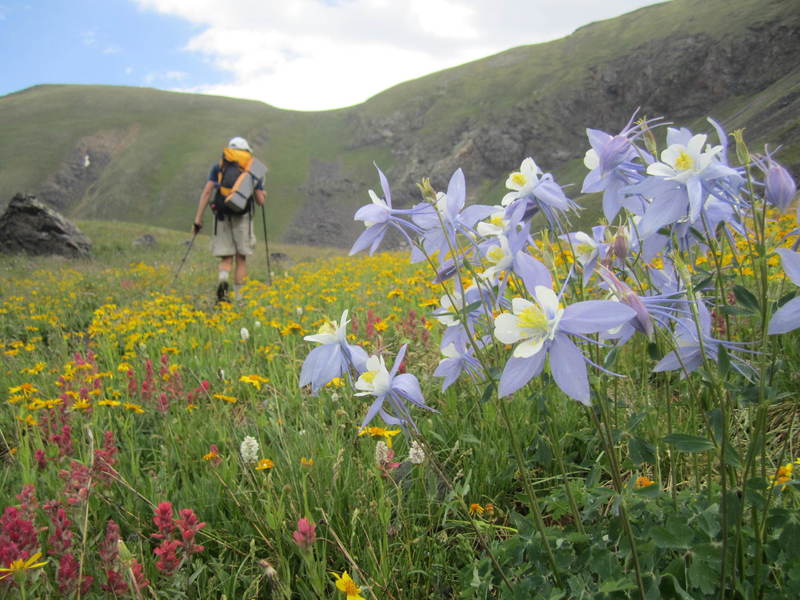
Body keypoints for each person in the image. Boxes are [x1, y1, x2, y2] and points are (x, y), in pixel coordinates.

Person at [193, 137, 266, 302]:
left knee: (226, 257)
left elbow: (207, 192)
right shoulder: (252, 168)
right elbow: (260, 201)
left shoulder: (219, 166)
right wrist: (261, 194)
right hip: (243, 217)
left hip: (221, 215)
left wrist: (198, 219)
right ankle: (239, 299)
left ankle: (223, 281)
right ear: (247, 151)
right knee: (241, 258)